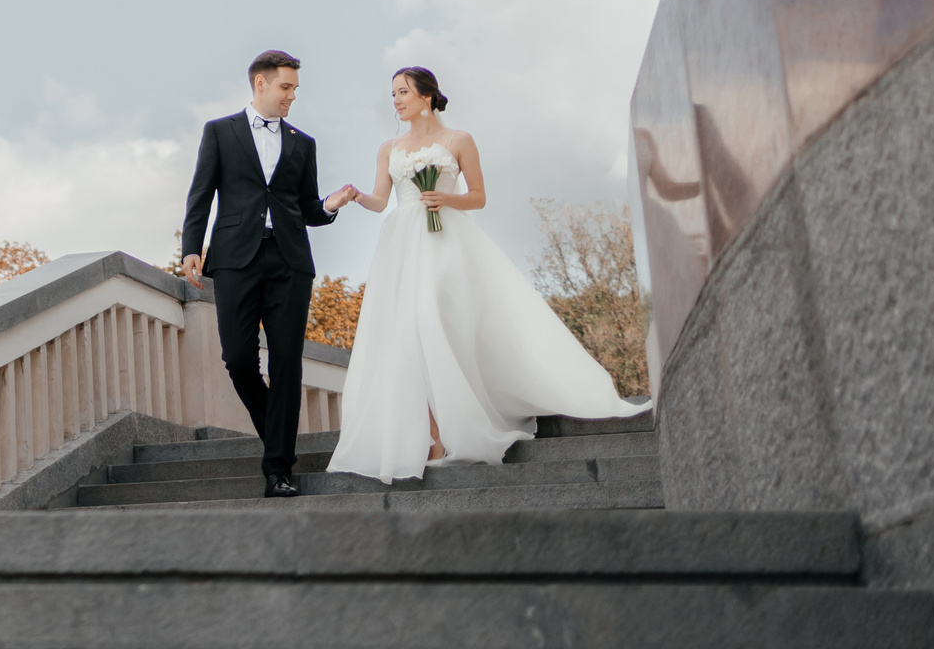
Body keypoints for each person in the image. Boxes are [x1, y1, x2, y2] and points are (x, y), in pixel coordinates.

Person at [323, 65, 644, 483]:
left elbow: (478, 197)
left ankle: (474, 414)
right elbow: (382, 199)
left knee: (435, 322)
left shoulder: (459, 140)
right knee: (409, 334)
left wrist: (445, 199)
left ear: (427, 95)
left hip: (446, 242)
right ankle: (434, 439)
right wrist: (353, 197)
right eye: (393, 94)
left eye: (403, 92)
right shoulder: (389, 147)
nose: (397, 100)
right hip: (401, 244)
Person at [179, 49, 359, 498]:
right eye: (285, 87)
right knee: (238, 358)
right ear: (260, 83)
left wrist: (331, 206)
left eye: (295, 89)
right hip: (235, 259)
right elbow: (200, 193)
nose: (292, 96)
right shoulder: (220, 131)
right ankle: (277, 436)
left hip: (290, 262)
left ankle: (278, 468)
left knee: (286, 364)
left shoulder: (304, 143)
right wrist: (190, 249)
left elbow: (306, 208)